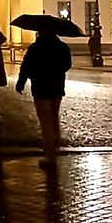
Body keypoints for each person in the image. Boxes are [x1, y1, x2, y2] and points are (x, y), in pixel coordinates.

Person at [15, 25, 72, 167]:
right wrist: (57, 71)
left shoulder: (35, 48)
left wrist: (21, 82)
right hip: (57, 86)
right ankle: (55, 142)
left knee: (45, 121)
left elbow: (26, 66)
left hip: (41, 87)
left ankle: (50, 155)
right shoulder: (62, 47)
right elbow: (67, 65)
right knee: (54, 115)